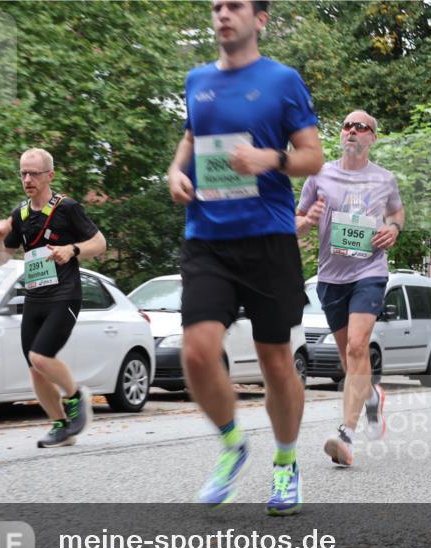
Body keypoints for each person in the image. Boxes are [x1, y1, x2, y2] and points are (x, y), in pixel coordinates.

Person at [166, 0, 323, 515]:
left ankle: (285, 463)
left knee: (276, 362)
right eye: (216, 7)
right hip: (208, 237)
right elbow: (191, 136)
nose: (222, 14)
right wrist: (176, 172)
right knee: (195, 351)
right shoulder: (196, 80)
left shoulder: (282, 81)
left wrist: (269, 158)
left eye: (234, 6)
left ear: (260, 19)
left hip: (268, 238)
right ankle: (233, 445)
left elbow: (312, 156)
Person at [295, 110, 403, 467]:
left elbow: (397, 213)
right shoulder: (319, 174)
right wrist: (306, 221)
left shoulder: (385, 179)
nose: (353, 131)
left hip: (369, 272)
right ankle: (371, 396)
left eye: (362, 127)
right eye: (347, 125)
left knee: (358, 346)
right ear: (340, 134)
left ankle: (346, 435)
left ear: (373, 137)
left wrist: (393, 229)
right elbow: (297, 222)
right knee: (348, 357)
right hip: (330, 278)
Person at [0, 148, 106, 447]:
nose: (27, 179)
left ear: (49, 175)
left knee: (41, 356)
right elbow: (1, 259)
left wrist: (72, 250)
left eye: (34, 174)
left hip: (64, 296)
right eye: (23, 174)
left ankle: (74, 397)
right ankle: (60, 426)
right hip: (34, 298)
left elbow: (100, 242)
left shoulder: (67, 208)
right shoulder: (21, 214)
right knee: (35, 369)